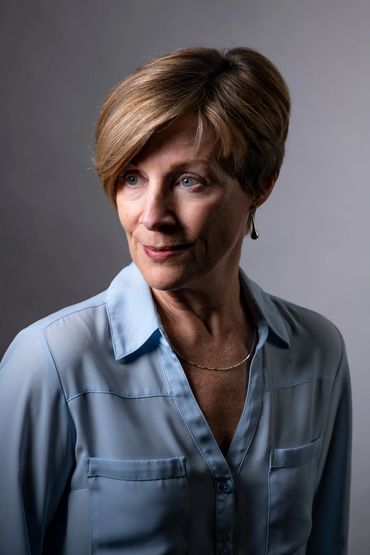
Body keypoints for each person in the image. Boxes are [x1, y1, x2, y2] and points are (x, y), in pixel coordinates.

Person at [0, 47, 351, 555]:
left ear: (260, 186)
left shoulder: (318, 352)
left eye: (190, 181)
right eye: (132, 178)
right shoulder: (51, 362)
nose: (152, 215)